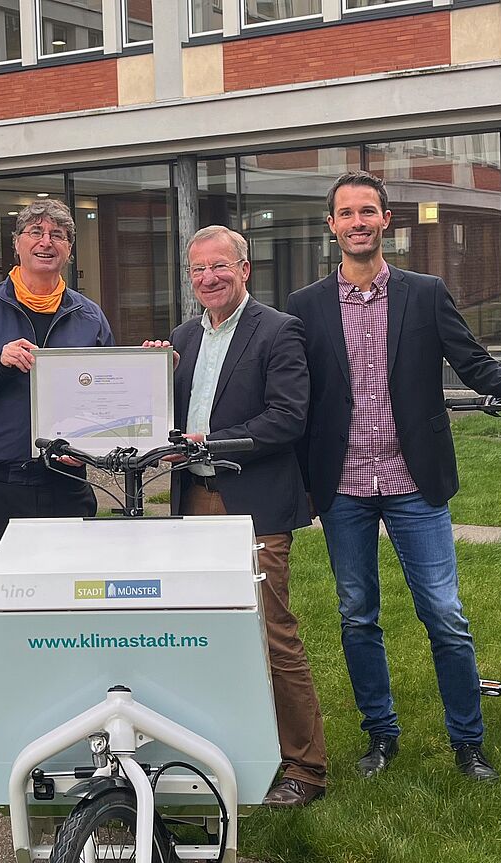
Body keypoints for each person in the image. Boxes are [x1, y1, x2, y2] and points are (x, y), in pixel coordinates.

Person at [286, 171, 501, 782]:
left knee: (444, 615)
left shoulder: (424, 293)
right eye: (345, 213)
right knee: (357, 614)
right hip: (343, 486)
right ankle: (380, 735)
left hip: (415, 482)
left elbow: (474, 363)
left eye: (367, 211)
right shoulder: (305, 306)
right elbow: (288, 387)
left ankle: (468, 741)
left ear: (386, 220)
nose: (357, 222)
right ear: (331, 226)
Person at [146, 225, 326, 807]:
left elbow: (287, 417)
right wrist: (149, 375)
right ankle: (219, 751)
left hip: (254, 504)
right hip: (192, 501)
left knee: (271, 632)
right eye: (197, 269)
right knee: (203, 632)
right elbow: (167, 417)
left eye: (219, 266)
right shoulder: (183, 337)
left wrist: (210, 442)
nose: (208, 278)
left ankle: (304, 767)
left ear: (245, 269)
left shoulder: (278, 330)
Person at [0, 199, 114, 612]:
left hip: (66, 484)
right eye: (35, 232)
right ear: (16, 243)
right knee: (0, 604)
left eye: (57, 235)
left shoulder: (89, 317)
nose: (46, 242)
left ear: (69, 249)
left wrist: (93, 447)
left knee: (74, 601)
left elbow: (105, 402)